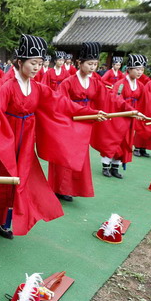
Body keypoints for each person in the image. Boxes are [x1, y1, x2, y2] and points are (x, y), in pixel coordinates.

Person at [0, 34, 105, 239]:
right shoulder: (8, 86)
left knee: (21, 182)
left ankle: (5, 221)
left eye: (40, 64)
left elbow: (61, 103)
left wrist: (90, 113)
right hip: (5, 140)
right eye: (33, 63)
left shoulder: (38, 88)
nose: (37, 68)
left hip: (26, 141)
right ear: (20, 61)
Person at [47, 42, 109, 202]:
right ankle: (59, 187)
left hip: (85, 122)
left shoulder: (96, 82)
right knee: (66, 154)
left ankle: (71, 188)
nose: (93, 67)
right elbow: (61, 103)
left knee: (80, 155)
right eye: (89, 64)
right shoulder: (68, 82)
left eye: (95, 64)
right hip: (70, 121)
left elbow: (108, 99)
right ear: (79, 63)